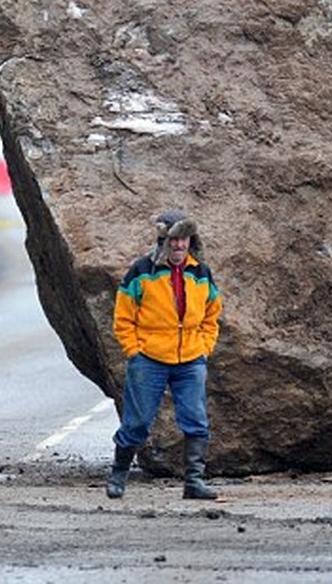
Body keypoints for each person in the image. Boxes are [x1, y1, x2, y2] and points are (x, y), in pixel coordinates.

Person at [106, 209, 222, 501]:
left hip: (191, 358)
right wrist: (134, 350)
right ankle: (118, 474)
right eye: (173, 240)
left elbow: (212, 313)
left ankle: (194, 481)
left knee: (195, 419)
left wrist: (205, 346)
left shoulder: (201, 272)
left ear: (190, 241)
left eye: (183, 240)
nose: (179, 246)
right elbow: (123, 317)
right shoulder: (141, 271)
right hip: (149, 358)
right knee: (138, 421)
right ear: (162, 240)